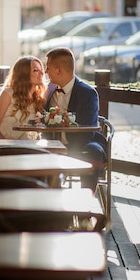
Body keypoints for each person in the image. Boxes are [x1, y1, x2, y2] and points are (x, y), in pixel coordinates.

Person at [43, 46, 107, 190]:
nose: (45, 72)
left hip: (84, 143)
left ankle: (86, 202)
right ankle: (48, 198)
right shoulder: (49, 89)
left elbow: (88, 131)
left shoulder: (88, 93)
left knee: (93, 150)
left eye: (48, 68)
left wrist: (67, 151)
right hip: (53, 144)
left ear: (59, 70)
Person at [0, 56, 46, 140]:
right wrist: (6, 147)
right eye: (35, 70)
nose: (42, 73)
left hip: (27, 147)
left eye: (41, 69)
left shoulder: (39, 97)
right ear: (24, 74)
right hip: (1, 144)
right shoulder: (8, 94)